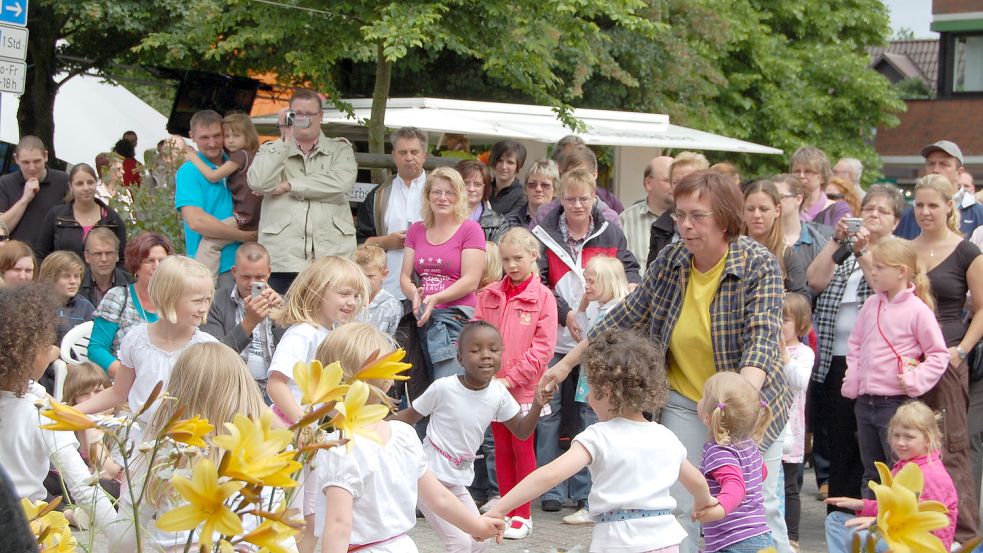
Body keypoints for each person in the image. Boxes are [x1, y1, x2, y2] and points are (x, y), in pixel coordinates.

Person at [542, 170, 790, 553]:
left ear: (724, 218)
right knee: (685, 503)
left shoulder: (759, 264)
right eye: (680, 215)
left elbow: (762, 340)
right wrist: (565, 365)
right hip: (685, 402)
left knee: (758, 509)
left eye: (697, 216)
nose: (686, 226)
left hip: (749, 403)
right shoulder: (672, 259)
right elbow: (622, 318)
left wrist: (736, 404)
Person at [485, 328, 718, 553]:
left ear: (606, 391)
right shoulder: (666, 436)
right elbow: (696, 481)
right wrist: (704, 502)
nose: (586, 396)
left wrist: (500, 508)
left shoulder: (597, 436)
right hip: (665, 540)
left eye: (590, 387)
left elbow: (549, 475)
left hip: (618, 541)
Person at [315, 323, 504, 553]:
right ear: (388, 381)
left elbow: (338, 526)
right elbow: (439, 498)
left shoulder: (341, 447)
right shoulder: (403, 434)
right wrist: (477, 526)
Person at [109, 342, 293, 552]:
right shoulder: (261, 460)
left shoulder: (164, 453)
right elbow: (283, 541)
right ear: (246, 394)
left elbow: (123, 538)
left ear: (177, 394)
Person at [531, 167, 641, 520]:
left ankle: (584, 492)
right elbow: (542, 284)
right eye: (569, 198)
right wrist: (567, 315)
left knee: (587, 415)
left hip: (596, 343)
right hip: (557, 338)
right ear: (559, 200)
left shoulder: (610, 231)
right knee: (549, 415)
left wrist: (626, 297)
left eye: (583, 198)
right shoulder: (543, 234)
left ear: (595, 198)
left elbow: (631, 271)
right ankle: (550, 488)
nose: (577, 205)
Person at [394, 321, 547, 548]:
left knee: (479, 541)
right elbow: (410, 416)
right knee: (460, 544)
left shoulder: (498, 393)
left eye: (493, 350)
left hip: (457, 481)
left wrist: (537, 404)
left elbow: (522, 431)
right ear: (460, 358)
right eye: (475, 351)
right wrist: (374, 421)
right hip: (429, 478)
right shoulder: (443, 388)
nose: (486, 356)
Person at [806, 184, 905, 517]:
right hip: (835, 364)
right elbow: (814, 280)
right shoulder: (845, 251)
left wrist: (864, 252)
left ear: (895, 221)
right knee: (839, 444)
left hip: (873, 368)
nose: (873, 215)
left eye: (882, 211)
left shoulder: (896, 256)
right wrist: (837, 241)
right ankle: (839, 516)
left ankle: (874, 515)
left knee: (872, 449)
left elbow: (881, 285)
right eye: (869, 208)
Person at [266, 255, 370, 552]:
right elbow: (276, 385)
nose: (352, 302)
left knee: (312, 513)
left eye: (357, 295)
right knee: (294, 513)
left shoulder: (331, 334)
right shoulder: (303, 332)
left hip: (315, 437)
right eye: (344, 293)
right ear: (317, 290)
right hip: (291, 434)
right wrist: (303, 424)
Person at [0, 283, 116, 537]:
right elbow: (84, 487)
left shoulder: (35, 400)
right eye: (46, 344)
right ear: (28, 353)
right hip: (27, 525)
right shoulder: (42, 413)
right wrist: (122, 537)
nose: (51, 350)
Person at [841, 236, 948, 496]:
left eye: (880, 267)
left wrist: (914, 380)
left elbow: (938, 354)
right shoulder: (870, 304)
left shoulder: (917, 310)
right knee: (871, 472)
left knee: (898, 471)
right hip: (865, 402)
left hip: (895, 404)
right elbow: (855, 343)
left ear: (901, 271)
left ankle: (894, 528)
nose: (873, 272)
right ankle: (869, 529)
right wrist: (853, 379)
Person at [909, 173, 983, 541]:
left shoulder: (967, 251)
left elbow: (982, 309)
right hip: (910, 361)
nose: (925, 212)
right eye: (919, 205)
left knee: (952, 445)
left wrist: (961, 351)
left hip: (949, 357)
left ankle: (965, 536)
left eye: (933, 205)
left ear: (949, 207)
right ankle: (918, 528)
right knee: (910, 443)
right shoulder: (907, 249)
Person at [474, 228, 558, 537]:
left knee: (521, 448)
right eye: (506, 259)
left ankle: (524, 514)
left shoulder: (544, 297)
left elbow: (543, 348)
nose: (511, 266)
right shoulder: (490, 294)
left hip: (521, 389)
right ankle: (506, 510)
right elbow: (476, 334)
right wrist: (484, 374)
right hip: (493, 386)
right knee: (499, 448)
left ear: (533, 256)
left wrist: (511, 379)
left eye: (518, 259)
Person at [75, 256, 217, 433]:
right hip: (140, 439)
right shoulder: (137, 339)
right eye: (197, 301)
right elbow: (118, 392)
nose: (204, 308)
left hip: (183, 442)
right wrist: (73, 412)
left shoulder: (206, 347)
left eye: (207, 299)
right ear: (168, 297)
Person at [248, 89, 357, 293]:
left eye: (309, 114)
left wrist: (289, 185)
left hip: (332, 254)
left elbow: (341, 182)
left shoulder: (340, 149)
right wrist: (284, 139)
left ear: (321, 116)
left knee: (331, 319)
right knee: (278, 318)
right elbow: (259, 183)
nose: (303, 119)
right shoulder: (272, 149)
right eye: (297, 114)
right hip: (283, 256)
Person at [825, 401, 958, 552]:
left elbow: (923, 524)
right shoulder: (906, 464)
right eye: (896, 435)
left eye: (908, 437)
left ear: (928, 440)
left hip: (917, 546)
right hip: (897, 534)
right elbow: (893, 508)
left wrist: (877, 523)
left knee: (847, 530)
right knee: (835, 520)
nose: (900, 442)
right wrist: (862, 505)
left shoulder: (932, 475)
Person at [401, 166, 486, 380]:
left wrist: (436, 298)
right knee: (421, 387)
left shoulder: (470, 229)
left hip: (453, 318)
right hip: (421, 317)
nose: (443, 198)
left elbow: (471, 281)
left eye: (450, 193)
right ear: (427, 195)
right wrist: (415, 295)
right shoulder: (416, 230)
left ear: (459, 196)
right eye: (436, 192)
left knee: (448, 385)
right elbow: (405, 276)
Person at [692, 372, 775, 552]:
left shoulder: (718, 451)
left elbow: (736, 486)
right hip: (761, 536)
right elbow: (761, 473)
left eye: (704, 396)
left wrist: (719, 509)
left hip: (734, 542)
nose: (700, 399)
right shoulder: (748, 444)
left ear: (709, 416)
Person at [176, 110, 255, 288]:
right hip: (215, 269)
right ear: (192, 136)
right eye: (204, 137)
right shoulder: (189, 171)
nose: (212, 143)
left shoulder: (237, 162)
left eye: (217, 136)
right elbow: (196, 222)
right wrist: (243, 236)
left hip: (249, 265)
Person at [200, 242, 284, 401]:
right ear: (234, 272)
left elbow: (294, 357)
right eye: (246, 276)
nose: (252, 283)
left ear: (269, 273)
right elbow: (213, 358)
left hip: (275, 393)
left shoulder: (282, 304)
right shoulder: (216, 302)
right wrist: (250, 322)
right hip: (231, 391)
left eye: (259, 277)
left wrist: (280, 315)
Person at [356, 126, 429, 300]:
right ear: (394, 156)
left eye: (414, 152)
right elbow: (360, 243)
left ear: (424, 156)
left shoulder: (440, 192)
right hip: (388, 292)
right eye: (402, 152)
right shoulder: (379, 196)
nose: (409, 158)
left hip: (431, 290)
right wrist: (386, 241)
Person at [88, 232, 173, 377]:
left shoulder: (175, 301)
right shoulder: (118, 297)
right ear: (136, 266)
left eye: (162, 260)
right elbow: (96, 349)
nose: (157, 266)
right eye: (149, 261)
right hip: (123, 383)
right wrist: (126, 375)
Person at [36, 163, 128, 261]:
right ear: (70, 187)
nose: (86, 188)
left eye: (90, 182)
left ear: (96, 183)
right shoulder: (57, 216)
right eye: (79, 184)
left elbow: (122, 259)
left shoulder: (112, 219)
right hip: (64, 275)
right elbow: (41, 254)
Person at [780, 293, 814, 552]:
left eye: (785, 319)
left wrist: (783, 354)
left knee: (790, 485)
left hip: (791, 425)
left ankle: (792, 536)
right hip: (765, 424)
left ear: (800, 323)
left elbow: (798, 382)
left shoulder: (804, 353)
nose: (780, 324)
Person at [62, 361, 122, 498]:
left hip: (115, 491)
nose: (93, 399)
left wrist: (92, 424)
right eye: (84, 394)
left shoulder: (121, 422)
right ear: (74, 398)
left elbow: (107, 473)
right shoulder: (68, 425)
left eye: (98, 391)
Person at [896, 140, 979, 239]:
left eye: (943, 164)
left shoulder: (978, 214)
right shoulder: (908, 216)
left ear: (959, 173)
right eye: (931, 164)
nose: (935, 170)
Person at [742, 179, 809, 296]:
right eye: (750, 209)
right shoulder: (730, 250)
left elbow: (802, 300)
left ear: (777, 211)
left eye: (764, 209)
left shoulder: (786, 255)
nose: (756, 215)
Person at [0, 135, 70, 246]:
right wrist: (25, 199)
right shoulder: (5, 183)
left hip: (52, 258)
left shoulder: (63, 180)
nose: (32, 168)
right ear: (16, 159)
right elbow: (2, 228)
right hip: (17, 259)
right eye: (26, 162)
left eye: (37, 161)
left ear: (46, 156)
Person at [645, 152, 711, 268]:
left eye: (688, 180)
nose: (682, 187)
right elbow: (651, 275)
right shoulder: (659, 227)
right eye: (676, 182)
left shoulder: (715, 220)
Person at [773, 173, 832, 273]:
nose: (775, 202)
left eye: (780, 197)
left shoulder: (820, 240)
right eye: (771, 197)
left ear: (798, 199)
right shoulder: (762, 236)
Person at [620, 155, 673, 266]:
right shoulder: (626, 220)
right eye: (669, 180)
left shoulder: (688, 221)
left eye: (677, 180)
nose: (675, 185)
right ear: (649, 183)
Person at [39, 250, 96, 344]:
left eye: (77, 276)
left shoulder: (85, 307)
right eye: (66, 276)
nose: (73, 281)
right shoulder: (36, 305)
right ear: (50, 278)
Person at [791, 146, 852, 228]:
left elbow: (841, 238)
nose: (801, 176)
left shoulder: (837, 210)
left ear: (822, 177)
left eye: (808, 171)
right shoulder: (787, 206)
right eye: (797, 171)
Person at [354, 243, 402, 337]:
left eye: (370, 276)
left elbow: (396, 341)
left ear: (384, 274)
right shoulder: (351, 301)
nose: (365, 281)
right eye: (360, 276)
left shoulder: (392, 306)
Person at [79, 227, 134, 308]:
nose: (104, 259)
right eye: (98, 254)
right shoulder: (76, 284)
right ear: (87, 256)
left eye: (109, 253)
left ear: (117, 255)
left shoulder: (132, 284)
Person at [457, 159, 508, 243]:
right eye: (466, 183)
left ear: (485, 188)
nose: (471, 189)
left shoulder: (498, 224)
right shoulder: (443, 217)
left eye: (477, 184)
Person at [503, 159, 559, 230]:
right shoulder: (509, 221)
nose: (538, 189)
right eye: (532, 184)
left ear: (555, 190)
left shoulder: (564, 221)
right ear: (526, 189)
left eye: (545, 185)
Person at [488, 140, 528, 216]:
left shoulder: (523, 195)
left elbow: (510, 222)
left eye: (510, 162)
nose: (503, 167)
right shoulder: (484, 188)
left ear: (519, 166)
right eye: (500, 161)